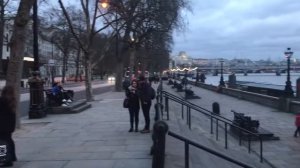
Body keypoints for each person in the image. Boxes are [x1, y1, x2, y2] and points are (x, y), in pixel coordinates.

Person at [0, 85, 17, 167]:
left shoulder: (2, 100)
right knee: (9, 140)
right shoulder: (12, 100)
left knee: (2, 143)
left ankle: (6, 159)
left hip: (2, 125)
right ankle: (12, 157)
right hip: (10, 125)